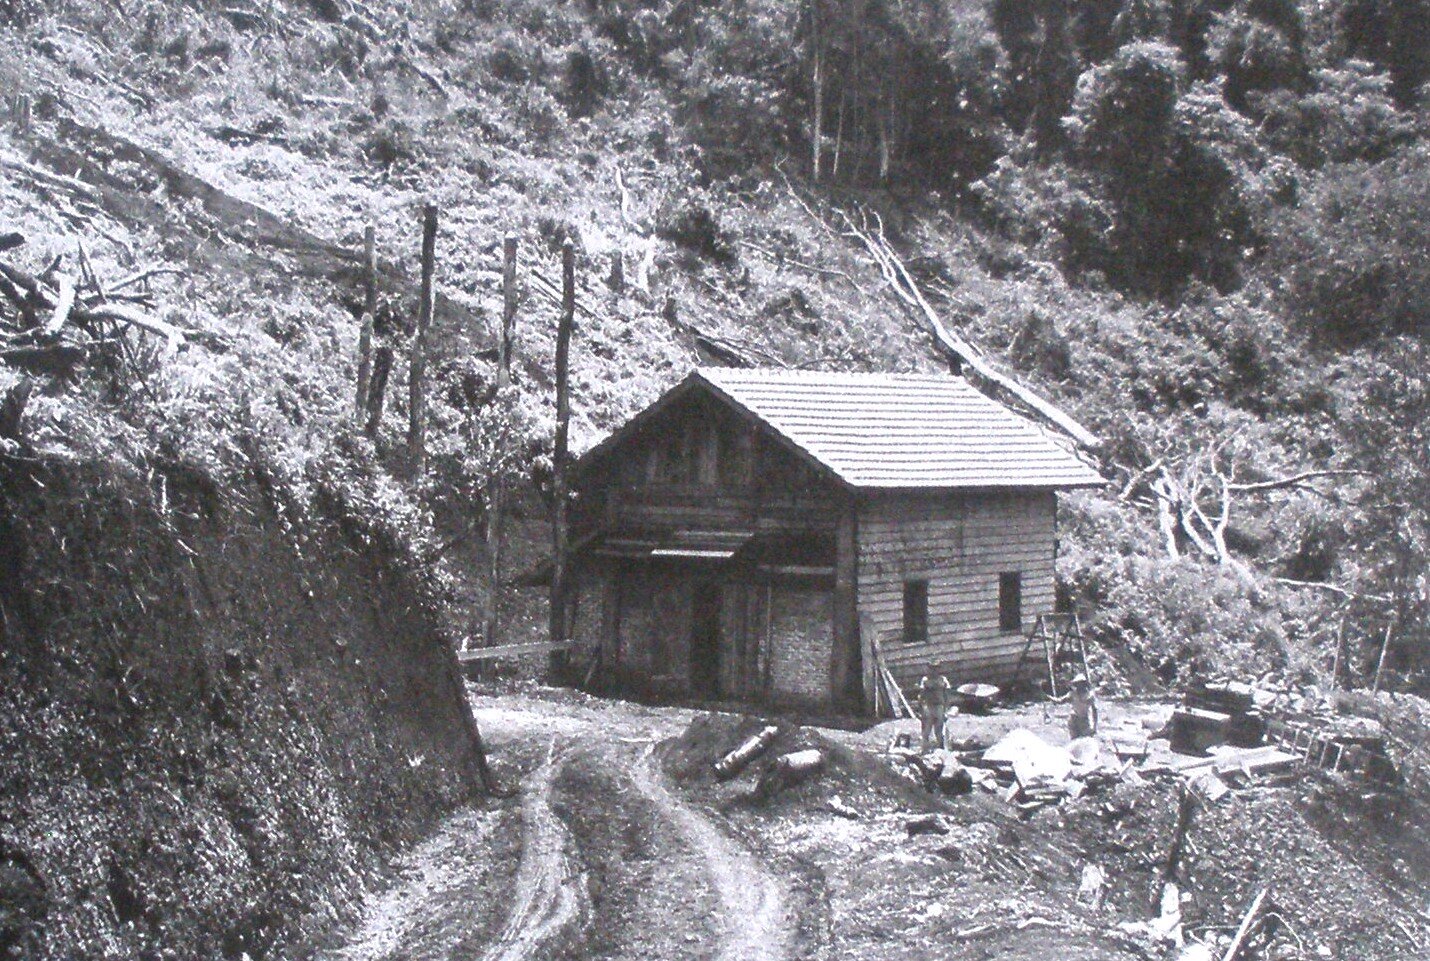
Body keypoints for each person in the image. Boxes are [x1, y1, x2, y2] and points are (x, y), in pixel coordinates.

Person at [917, 666, 951, 752]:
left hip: (940, 706)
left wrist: (946, 709)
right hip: (928, 706)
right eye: (932, 668)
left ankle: (941, 749)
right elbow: (921, 695)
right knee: (926, 730)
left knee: (939, 729)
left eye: (936, 668)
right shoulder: (925, 680)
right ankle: (924, 750)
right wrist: (921, 708)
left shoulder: (943, 680)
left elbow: (946, 694)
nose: (934, 670)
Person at [1067, 674, 1099, 740]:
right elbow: (1060, 701)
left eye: (1080, 684)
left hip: (1085, 720)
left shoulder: (1089, 695)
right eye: (1077, 684)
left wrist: (1095, 726)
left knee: (1086, 739)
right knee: (1074, 739)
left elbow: (1094, 710)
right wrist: (1049, 697)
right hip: (1074, 719)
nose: (1079, 686)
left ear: (1084, 684)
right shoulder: (1072, 694)